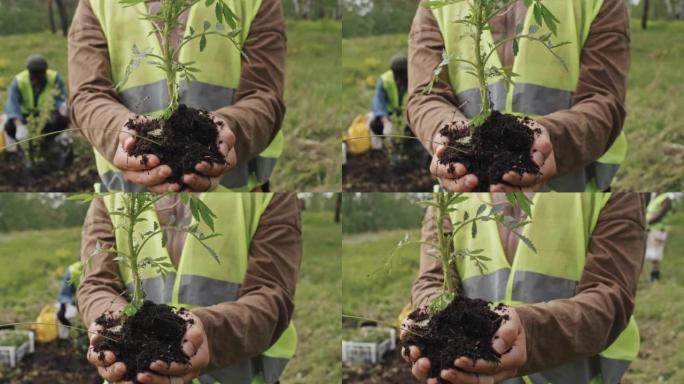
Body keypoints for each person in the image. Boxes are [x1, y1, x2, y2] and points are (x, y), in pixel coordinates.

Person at [402, 193, 644, 383]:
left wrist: (529, 332)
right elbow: (432, 278)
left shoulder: (609, 185)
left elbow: (611, 296)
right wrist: (431, 318)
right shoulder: (449, 188)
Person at [408, 1, 630, 192]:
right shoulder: (435, 6)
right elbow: (425, 95)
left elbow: (604, 99)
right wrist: (445, 130)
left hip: (570, 192)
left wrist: (552, 139)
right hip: (468, 189)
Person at [78, 193, 301, 383]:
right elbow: (96, 282)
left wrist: (208, 334)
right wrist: (111, 322)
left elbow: (273, 295)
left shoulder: (270, 195)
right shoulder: (109, 197)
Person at [69, 0, 286, 192]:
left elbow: (264, 95)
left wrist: (232, 129)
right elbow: (87, 93)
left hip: (231, 194)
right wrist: (118, 133)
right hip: (130, 198)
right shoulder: (96, 4)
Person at [2, 54, 71, 164]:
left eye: (39, 77)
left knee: (62, 119)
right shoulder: (19, 81)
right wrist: (19, 125)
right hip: (26, 117)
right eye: (33, 77)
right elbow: (12, 105)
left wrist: (63, 108)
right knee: (9, 126)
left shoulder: (54, 78)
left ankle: (48, 142)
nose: (36, 81)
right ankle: (23, 148)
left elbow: (60, 98)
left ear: (45, 73)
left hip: (46, 116)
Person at [369, 55, 408, 150]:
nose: (399, 80)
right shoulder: (384, 81)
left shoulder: (413, 79)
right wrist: (386, 122)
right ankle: (382, 147)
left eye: (402, 75)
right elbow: (379, 102)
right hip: (388, 114)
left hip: (405, 114)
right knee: (375, 125)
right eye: (396, 75)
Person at [645, 193, 673, 282]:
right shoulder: (656, 197)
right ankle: (654, 275)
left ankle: (655, 276)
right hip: (652, 229)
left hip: (658, 230)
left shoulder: (666, 199)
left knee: (655, 255)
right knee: (652, 254)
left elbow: (660, 214)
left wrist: (647, 222)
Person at [56, 261, 82, 339]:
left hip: (76, 295)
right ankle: (70, 334)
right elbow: (65, 293)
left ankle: (71, 333)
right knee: (62, 315)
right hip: (74, 297)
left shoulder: (73, 270)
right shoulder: (72, 272)